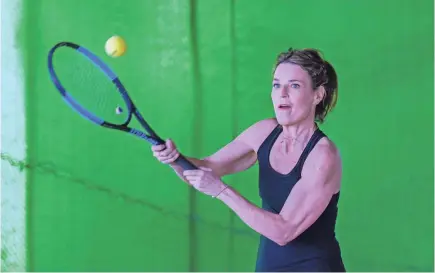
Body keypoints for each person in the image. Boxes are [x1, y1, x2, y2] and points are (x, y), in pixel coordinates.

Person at [151, 48, 346, 272]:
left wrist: (221, 190)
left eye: (294, 85)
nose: (282, 94)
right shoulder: (265, 132)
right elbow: (207, 168)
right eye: (276, 85)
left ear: (317, 95)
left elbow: (284, 231)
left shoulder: (323, 156)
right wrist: (175, 159)